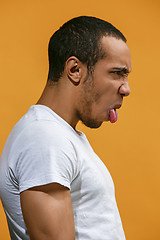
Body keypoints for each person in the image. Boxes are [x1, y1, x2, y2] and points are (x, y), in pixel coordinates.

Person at [0, 16, 132, 240]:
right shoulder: (44, 138)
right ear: (74, 69)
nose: (126, 89)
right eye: (117, 73)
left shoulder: (59, 134)